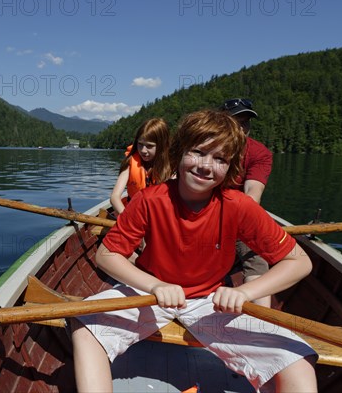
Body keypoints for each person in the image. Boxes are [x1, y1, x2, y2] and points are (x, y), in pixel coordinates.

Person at [71, 109, 317, 392]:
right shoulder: (150, 200)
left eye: (220, 159)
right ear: (179, 153)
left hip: (210, 302)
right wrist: (155, 285)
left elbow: (299, 262)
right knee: (86, 327)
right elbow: (107, 255)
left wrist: (244, 292)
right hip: (149, 295)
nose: (206, 166)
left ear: (231, 167)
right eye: (198, 152)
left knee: (297, 357)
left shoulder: (239, 205)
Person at [222, 98, 273, 307]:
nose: (242, 128)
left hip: (242, 214)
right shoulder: (206, 148)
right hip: (203, 211)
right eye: (236, 121)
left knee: (257, 260)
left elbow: (253, 191)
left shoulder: (259, 153)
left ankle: (264, 324)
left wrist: (238, 219)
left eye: (246, 122)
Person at [110, 118, 172, 215]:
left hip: (158, 215)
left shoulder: (172, 167)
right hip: (132, 213)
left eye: (149, 146)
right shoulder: (130, 162)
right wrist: (128, 219)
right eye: (140, 144)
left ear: (162, 145)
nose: (143, 150)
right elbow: (115, 197)